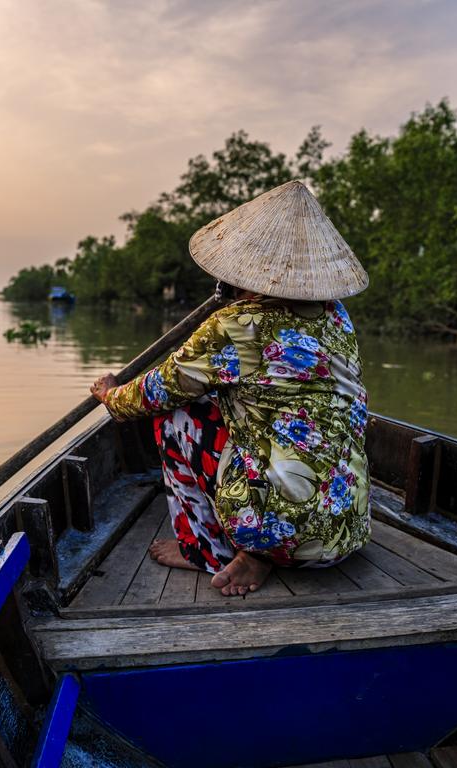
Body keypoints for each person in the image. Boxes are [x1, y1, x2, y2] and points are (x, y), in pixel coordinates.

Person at [90, 180, 371, 596]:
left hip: (283, 535)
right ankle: (259, 553)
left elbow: (150, 394)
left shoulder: (235, 325)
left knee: (175, 414)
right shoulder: (337, 318)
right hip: (345, 533)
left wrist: (111, 393)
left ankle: (206, 550)